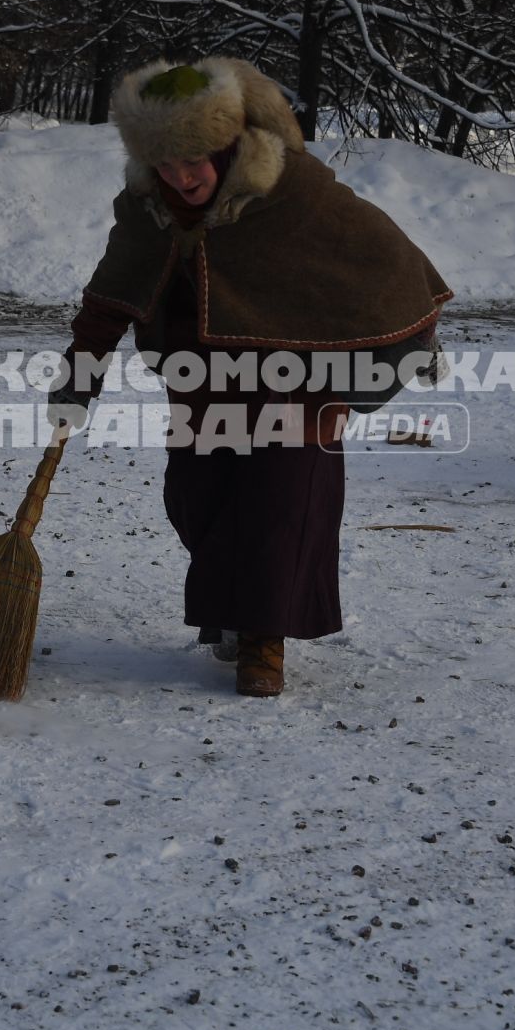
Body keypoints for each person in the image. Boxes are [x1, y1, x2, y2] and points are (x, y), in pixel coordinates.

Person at [52, 57, 451, 696]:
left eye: (195, 161)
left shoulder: (291, 189)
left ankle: (265, 639)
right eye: (166, 164)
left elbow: (378, 255)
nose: (182, 177)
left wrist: (405, 333)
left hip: (297, 375)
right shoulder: (149, 206)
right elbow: (112, 293)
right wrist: (80, 374)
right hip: (202, 375)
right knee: (195, 499)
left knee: (281, 502)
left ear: (227, 145)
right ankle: (237, 610)